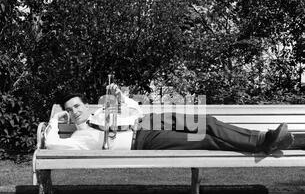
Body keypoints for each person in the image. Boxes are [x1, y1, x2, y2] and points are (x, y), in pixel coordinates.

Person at [45, 84, 294, 154]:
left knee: (205, 122)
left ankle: (263, 140)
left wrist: (123, 98)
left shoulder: (102, 111)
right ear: (68, 113)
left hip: (150, 121)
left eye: (77, 105)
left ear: (83, 105)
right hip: (143, 140)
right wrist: (57, 119)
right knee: (204, 139)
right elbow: (53, 144)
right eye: (70, 109)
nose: (76, 110)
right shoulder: (81, 137)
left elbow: (137, 112)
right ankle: (265, 141)